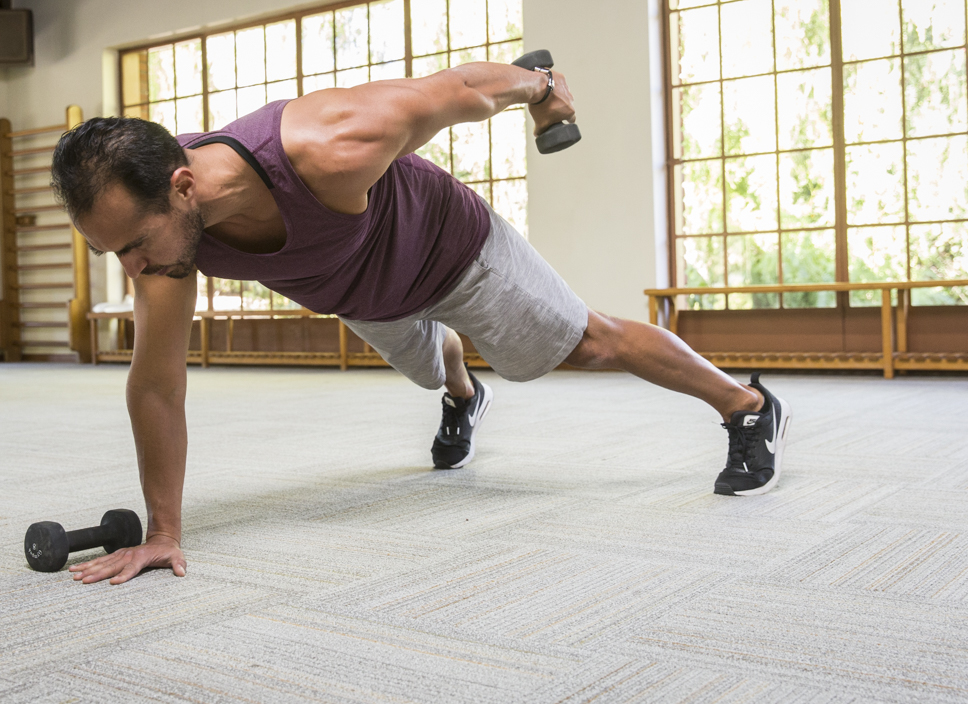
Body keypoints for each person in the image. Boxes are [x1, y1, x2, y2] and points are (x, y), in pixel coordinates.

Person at [49, 60, 792, 585]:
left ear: (184, 187)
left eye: (135, 246)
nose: (134, 271)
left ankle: (748, 406)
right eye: (116, 253)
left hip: (454, 252)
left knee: (585, 344)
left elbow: (458, 90)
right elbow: (156, 388)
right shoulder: (167, 251)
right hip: (366, 295)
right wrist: (165, 534)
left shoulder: (328, 142)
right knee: (432, 369)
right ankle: (465, 396)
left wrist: (539, 87)